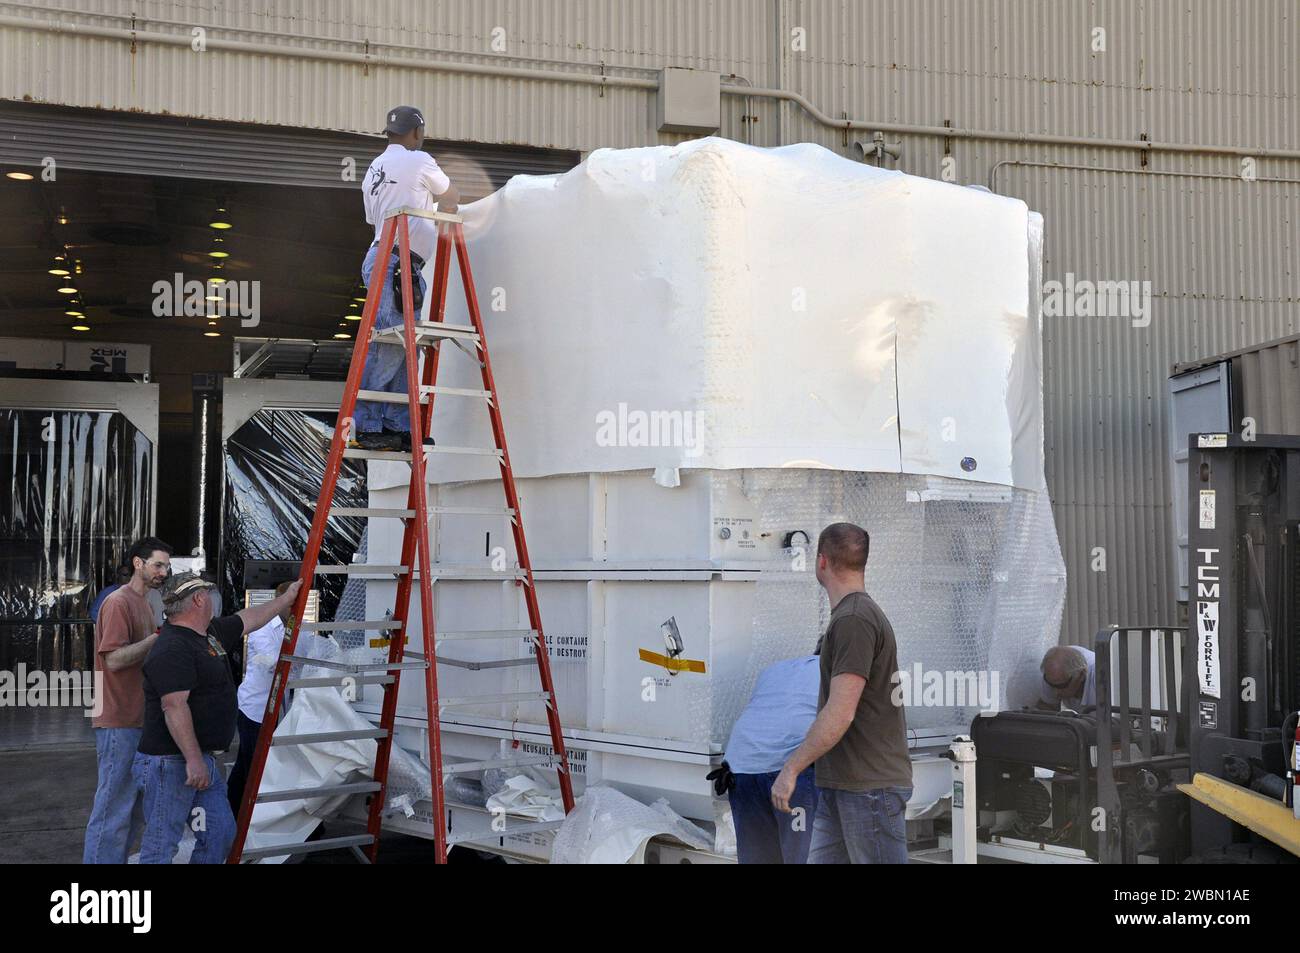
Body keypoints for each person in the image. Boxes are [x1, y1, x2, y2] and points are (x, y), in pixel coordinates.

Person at [133, 571, 302, 864]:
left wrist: (285, 599)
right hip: (173, 763)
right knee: (161, 845)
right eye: (209, 594)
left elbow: (249, 618)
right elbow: (174, 707)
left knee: (221, 833)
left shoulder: (209, 633)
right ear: (199, 599)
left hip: (200, 761)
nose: (214, 600)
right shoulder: (173, 647)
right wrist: (194, 760)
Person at [770, 522, 913, 864]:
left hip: (868, 790)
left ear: (821, 562)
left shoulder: (854, 619)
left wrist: (791, 769)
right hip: (844, 784)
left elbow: (841, 710)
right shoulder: (850, 617)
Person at [353, 104, 461, 451]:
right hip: (395, 261)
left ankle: (397, 425)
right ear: (416, 132)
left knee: (404, 345)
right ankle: (368, 425)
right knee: (390, 344)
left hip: (392, 261)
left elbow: (374, 218)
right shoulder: (419, 160)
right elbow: (452, 196)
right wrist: (443, 210)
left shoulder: (373, 168)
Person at [83, 537, 172, 864]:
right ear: (138, 563)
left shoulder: (146, 603)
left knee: (131, 810)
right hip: (118, 720)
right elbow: (115, 660)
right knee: (112, 810)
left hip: (137, 719)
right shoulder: (119, 603)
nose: (163, 571)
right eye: (157, 564)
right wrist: (157, 639)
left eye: (166, 566)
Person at [709, 655, 821, 863]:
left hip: (740, 767)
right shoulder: (841, 672)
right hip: (789, 769)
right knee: (802, 858)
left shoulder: (777, 668)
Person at [225, 579, 293, 814]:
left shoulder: (293, 627)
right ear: (281, 603)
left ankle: (231, 812)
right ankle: (245, 817)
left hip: (276, 709)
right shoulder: (263, 629)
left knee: (247, 764)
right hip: (254, 708)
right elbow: (273, 661)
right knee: (255, 765)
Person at [1036, 645, 1096, 710]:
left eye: (1061, 686)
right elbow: (1047, 707)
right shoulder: (1052, 674)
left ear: (1081, 675)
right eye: (1051, 685)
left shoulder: (1099, 679)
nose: (1055, 692)